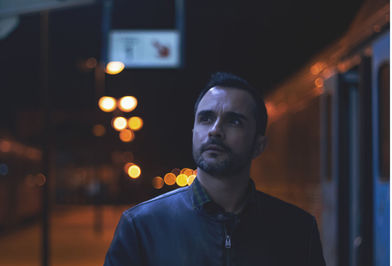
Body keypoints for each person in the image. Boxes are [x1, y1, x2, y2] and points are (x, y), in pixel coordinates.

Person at [104, 72, 326, 266]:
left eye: (234, 121)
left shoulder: (297, 230)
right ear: (193, 133)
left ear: (259, 145)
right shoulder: (141, 226)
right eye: (206, 118)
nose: (215, 130)